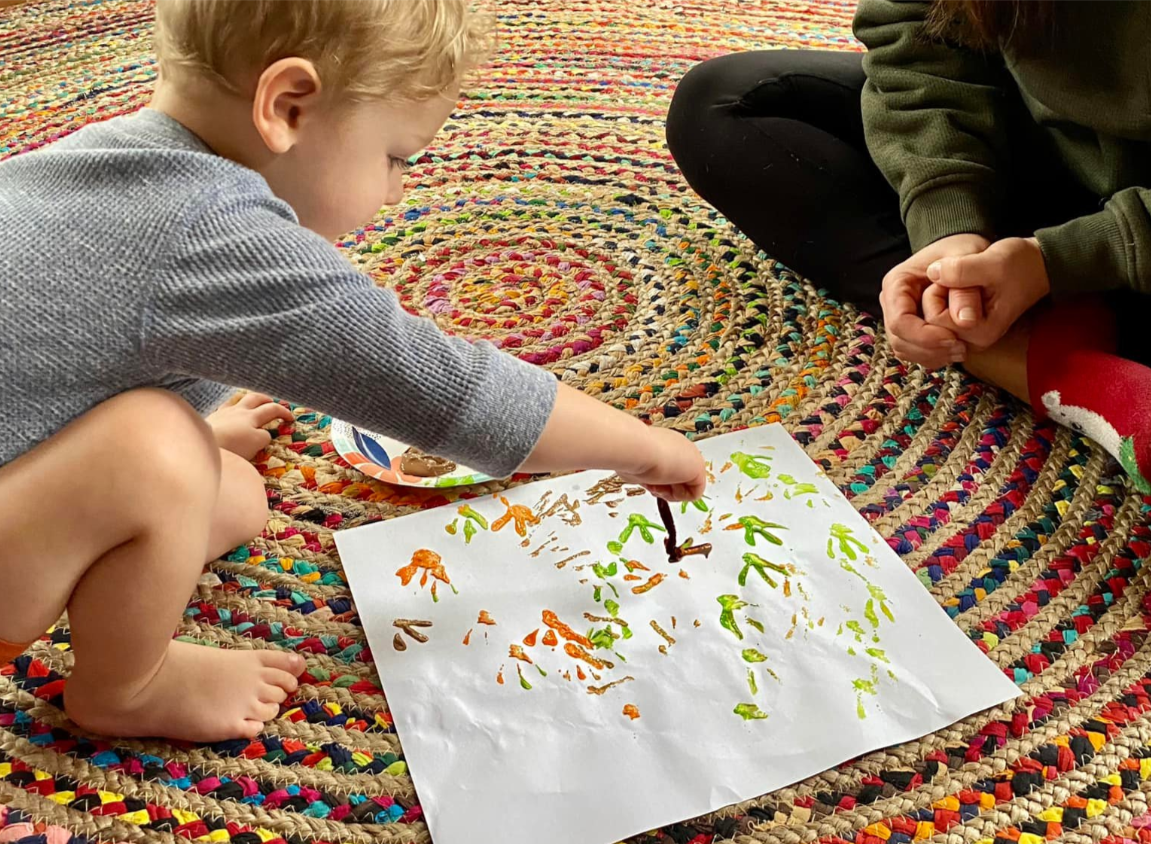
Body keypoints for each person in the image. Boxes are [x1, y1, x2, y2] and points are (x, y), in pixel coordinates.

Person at [0, 0, 707, 743]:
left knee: (229, 493)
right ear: (288, 107)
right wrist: (643, 447)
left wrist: (198, 435)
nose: (400, 190)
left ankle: (140, 489)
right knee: (156, 449)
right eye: (397, 158)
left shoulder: (108, 159)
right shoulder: (210, 231)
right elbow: (439, 388)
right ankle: (127, 689)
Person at [666, 0, 1151, 492]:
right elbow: (916, 36)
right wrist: (949, 228)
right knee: (723, 105)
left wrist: (1070, 256)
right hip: (1047, 154)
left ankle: (1060, 353)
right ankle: (1071, 374)